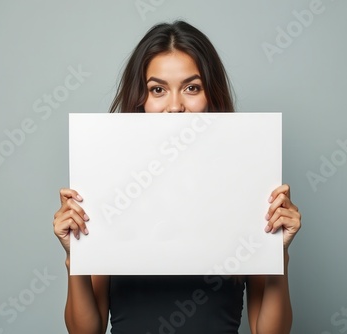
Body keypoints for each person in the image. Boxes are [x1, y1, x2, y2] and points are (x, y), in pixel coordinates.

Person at [53, 21, 301, 334]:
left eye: (191, 88)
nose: (174, 107)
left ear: (211, 96)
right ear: (141, 99)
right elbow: (86, 332)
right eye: (158, 89)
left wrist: (278, 253)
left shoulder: (245, 186)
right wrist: (76, 258)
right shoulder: (112, 188)